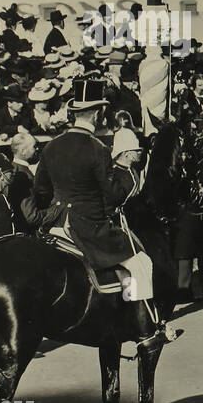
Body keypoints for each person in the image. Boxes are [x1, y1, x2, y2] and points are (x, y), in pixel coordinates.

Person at [27, 78, 179, 349]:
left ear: (74, 113)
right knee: (141, 264)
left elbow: (40, 191)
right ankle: (145, 329)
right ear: (97, 114)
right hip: (88, 227)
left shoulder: (51, 146)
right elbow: (112, 195)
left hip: (56, 225)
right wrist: (128, 173)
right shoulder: (96, 149)